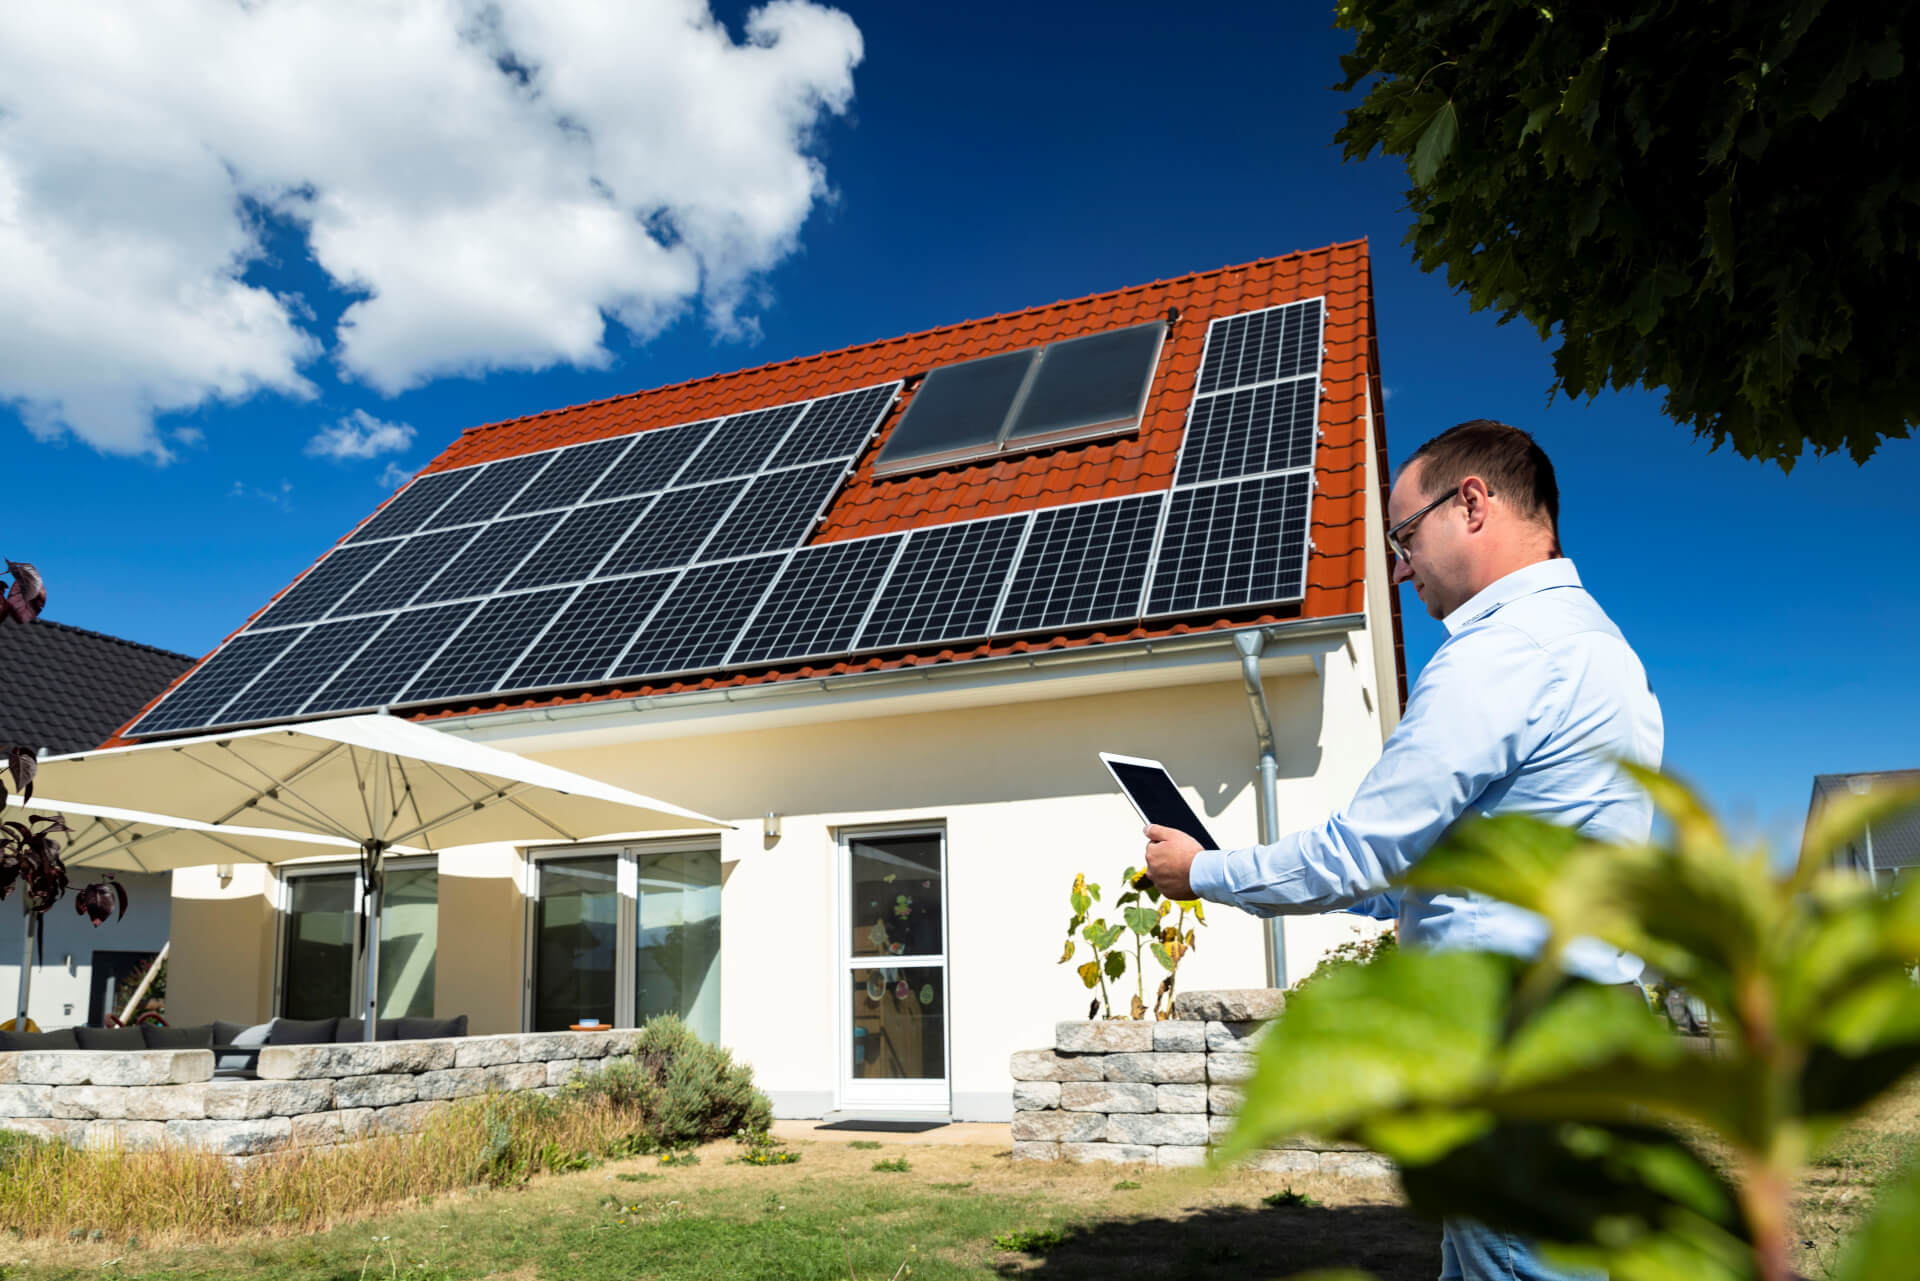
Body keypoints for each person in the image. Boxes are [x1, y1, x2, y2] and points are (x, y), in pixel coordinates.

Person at [1142, 419, 1663, 1281]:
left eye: (1403, 535)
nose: (1398, 563)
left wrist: (1204, 872)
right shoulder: (1604, 652)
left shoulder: (1502, 654)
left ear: (1471, 504)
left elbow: (1362, 851)